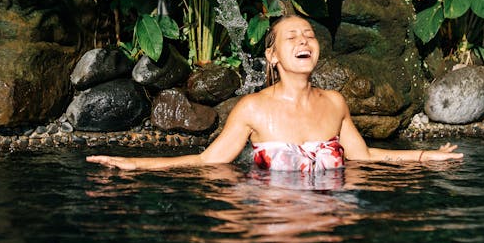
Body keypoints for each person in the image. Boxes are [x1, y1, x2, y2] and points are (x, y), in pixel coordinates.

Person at [86, 15, 462, 171]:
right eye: (292, 37)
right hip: (271, 222)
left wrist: (425, 156)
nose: (304, 41)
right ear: (273, 56)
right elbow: (207, 161)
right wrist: (137, 164)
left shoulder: (335, 103)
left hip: (332, 222)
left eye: (309, 36)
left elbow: (363, 157)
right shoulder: (252, 109)